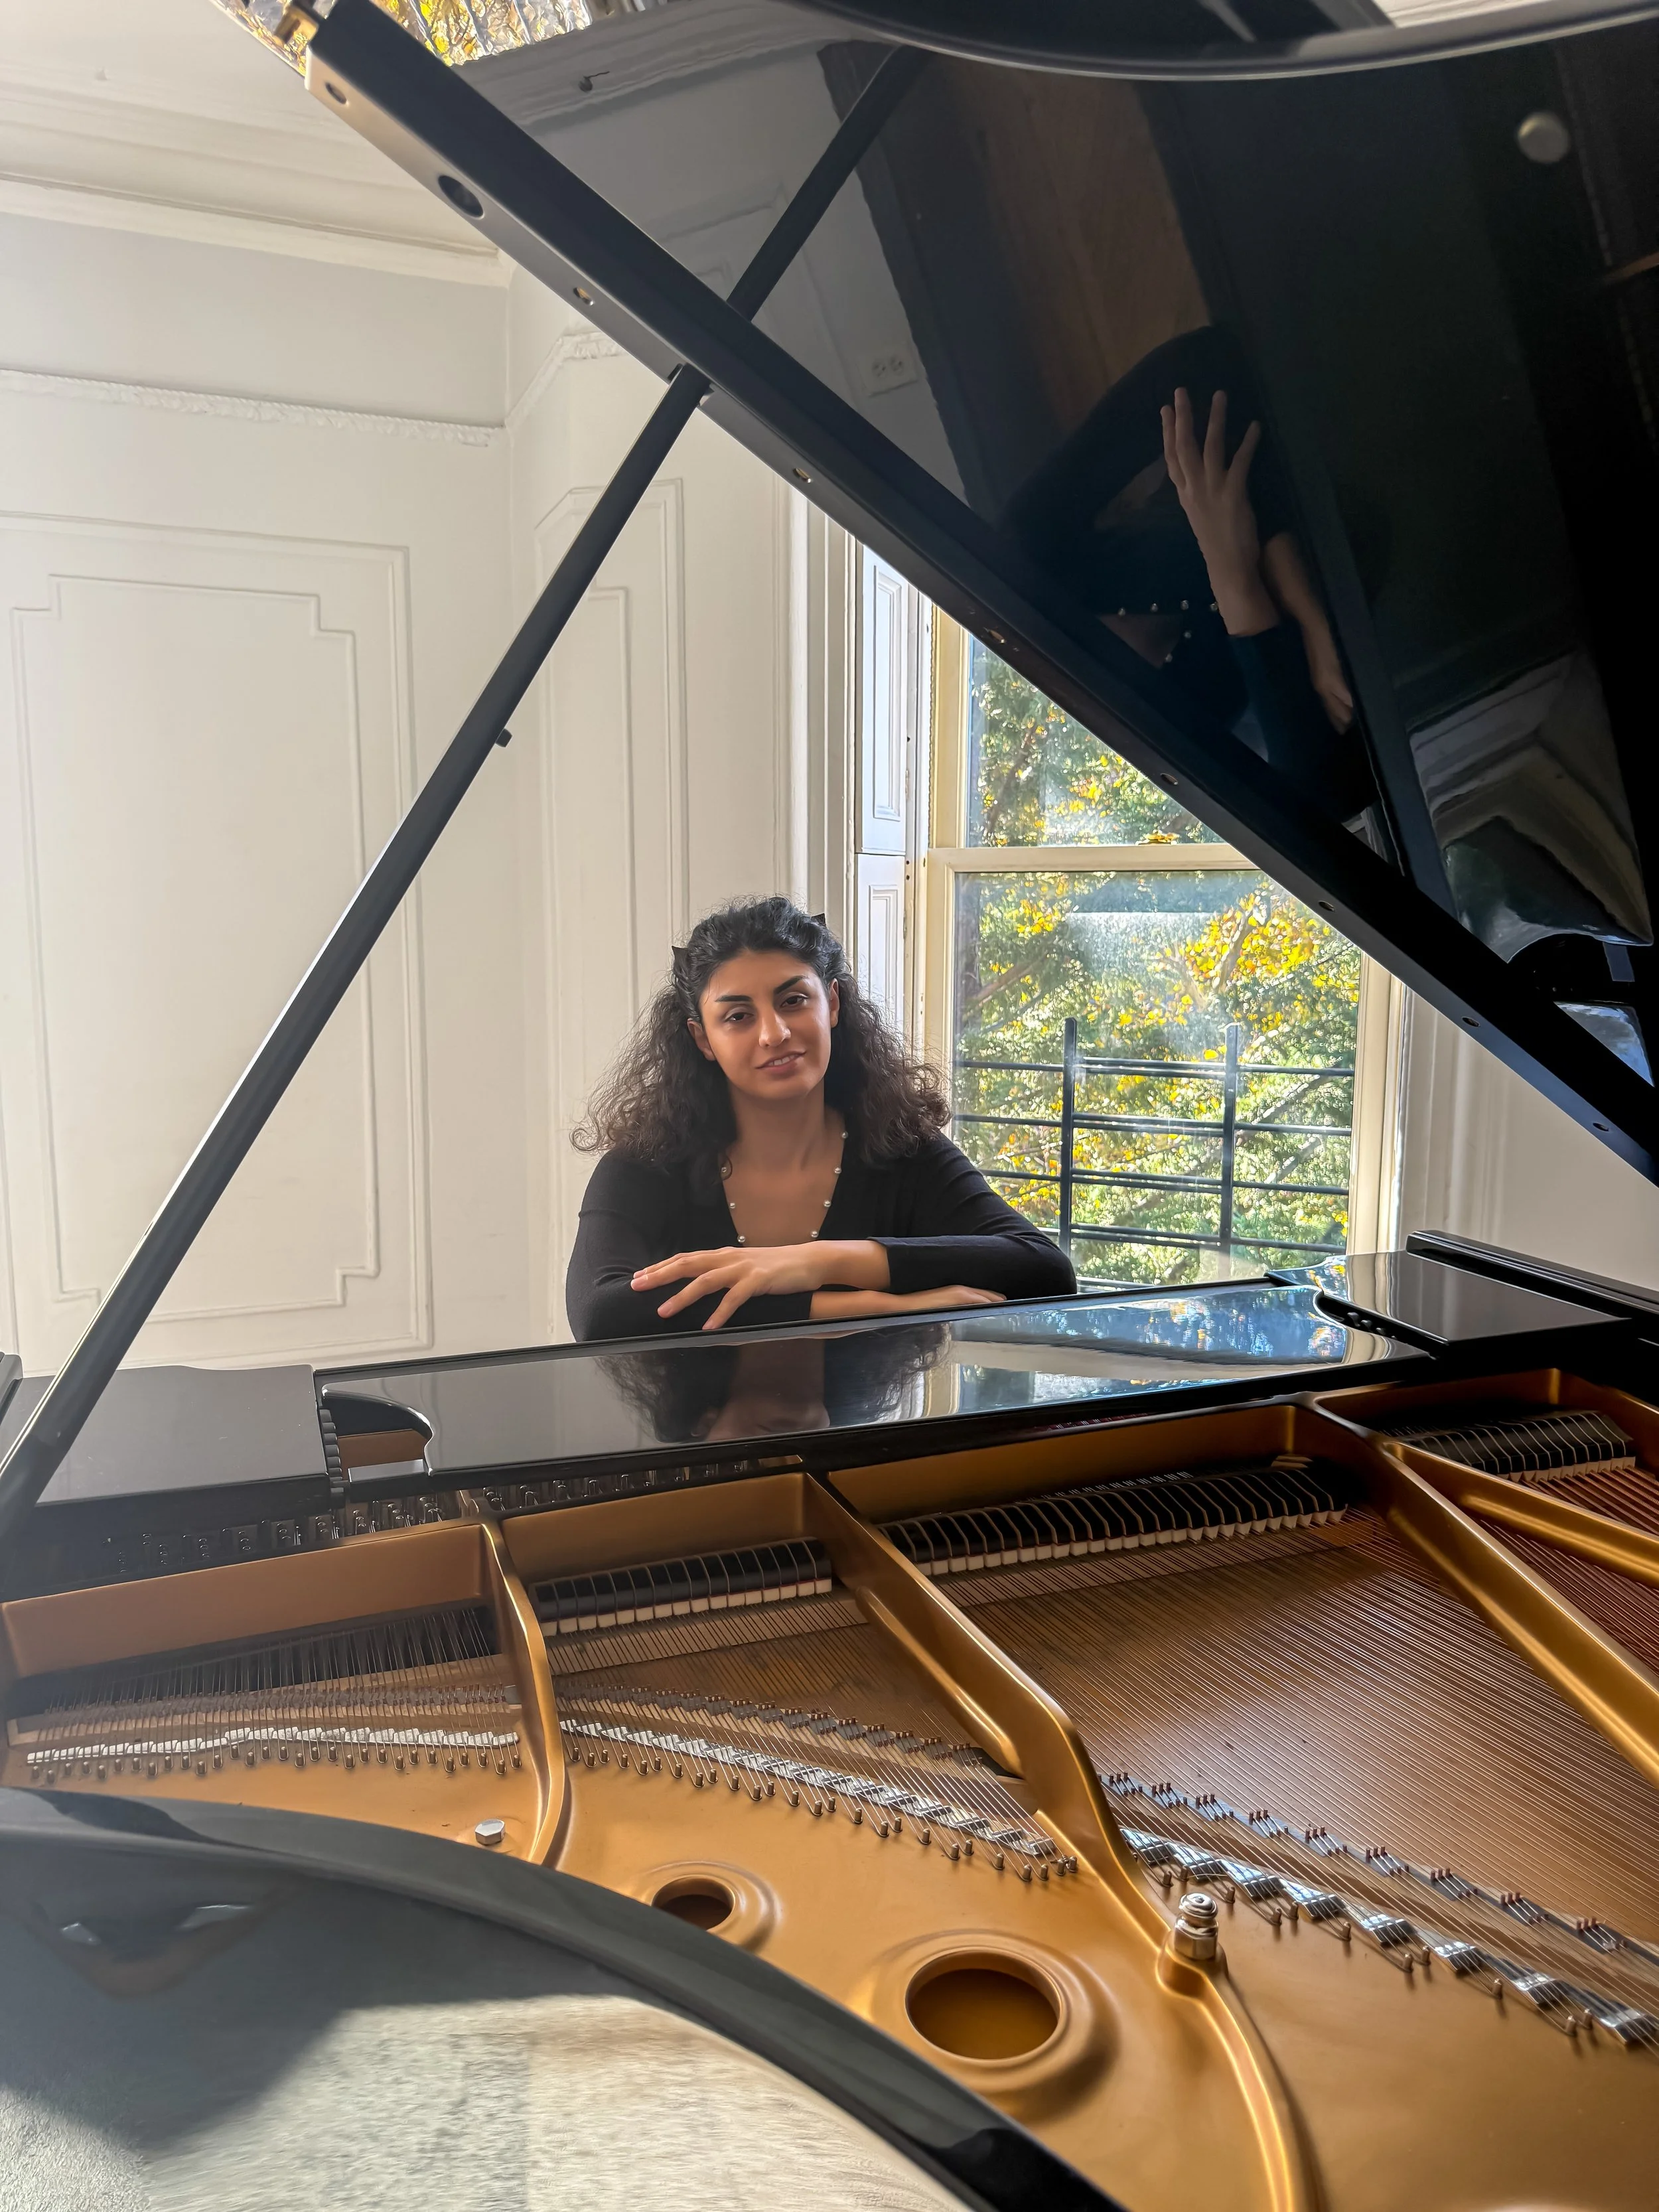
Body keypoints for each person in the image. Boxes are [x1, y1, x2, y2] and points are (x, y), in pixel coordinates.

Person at [566, 898, 1076, 1340]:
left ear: (831, 1003)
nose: (775, 1033)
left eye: (793, 1001)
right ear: (702, 1039)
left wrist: (809, 1263)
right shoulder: (644, 1164)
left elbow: (1043, 1269)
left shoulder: (901, 1148)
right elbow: (601, 1313)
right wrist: (869, 1305)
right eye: (738, 1016)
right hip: (702, 1449)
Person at [1002, 325, 1375, 822]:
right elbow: (1326, 799)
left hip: (1326, 431)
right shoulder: (1140, 740)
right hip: (1394, 616)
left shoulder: (1027, 556)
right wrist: (1236, 575)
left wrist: (1301, 609)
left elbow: (1205, 368)